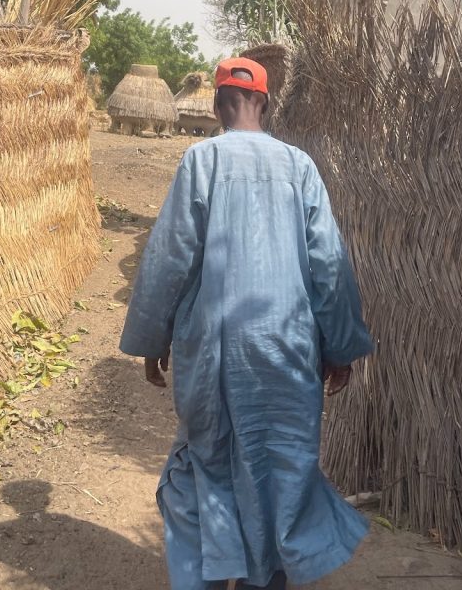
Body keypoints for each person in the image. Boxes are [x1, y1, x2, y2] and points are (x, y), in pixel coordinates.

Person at [120, 57, 374, 590]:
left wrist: (152, 338)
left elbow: (170, 258)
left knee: (208, 466)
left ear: (216, 106)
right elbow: (328, 263)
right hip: (286, 350)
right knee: (280, 472)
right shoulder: (299, 166)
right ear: (265, 102)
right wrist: (340, 348)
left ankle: (207, 579)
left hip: (212, 352)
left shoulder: (200, 162)